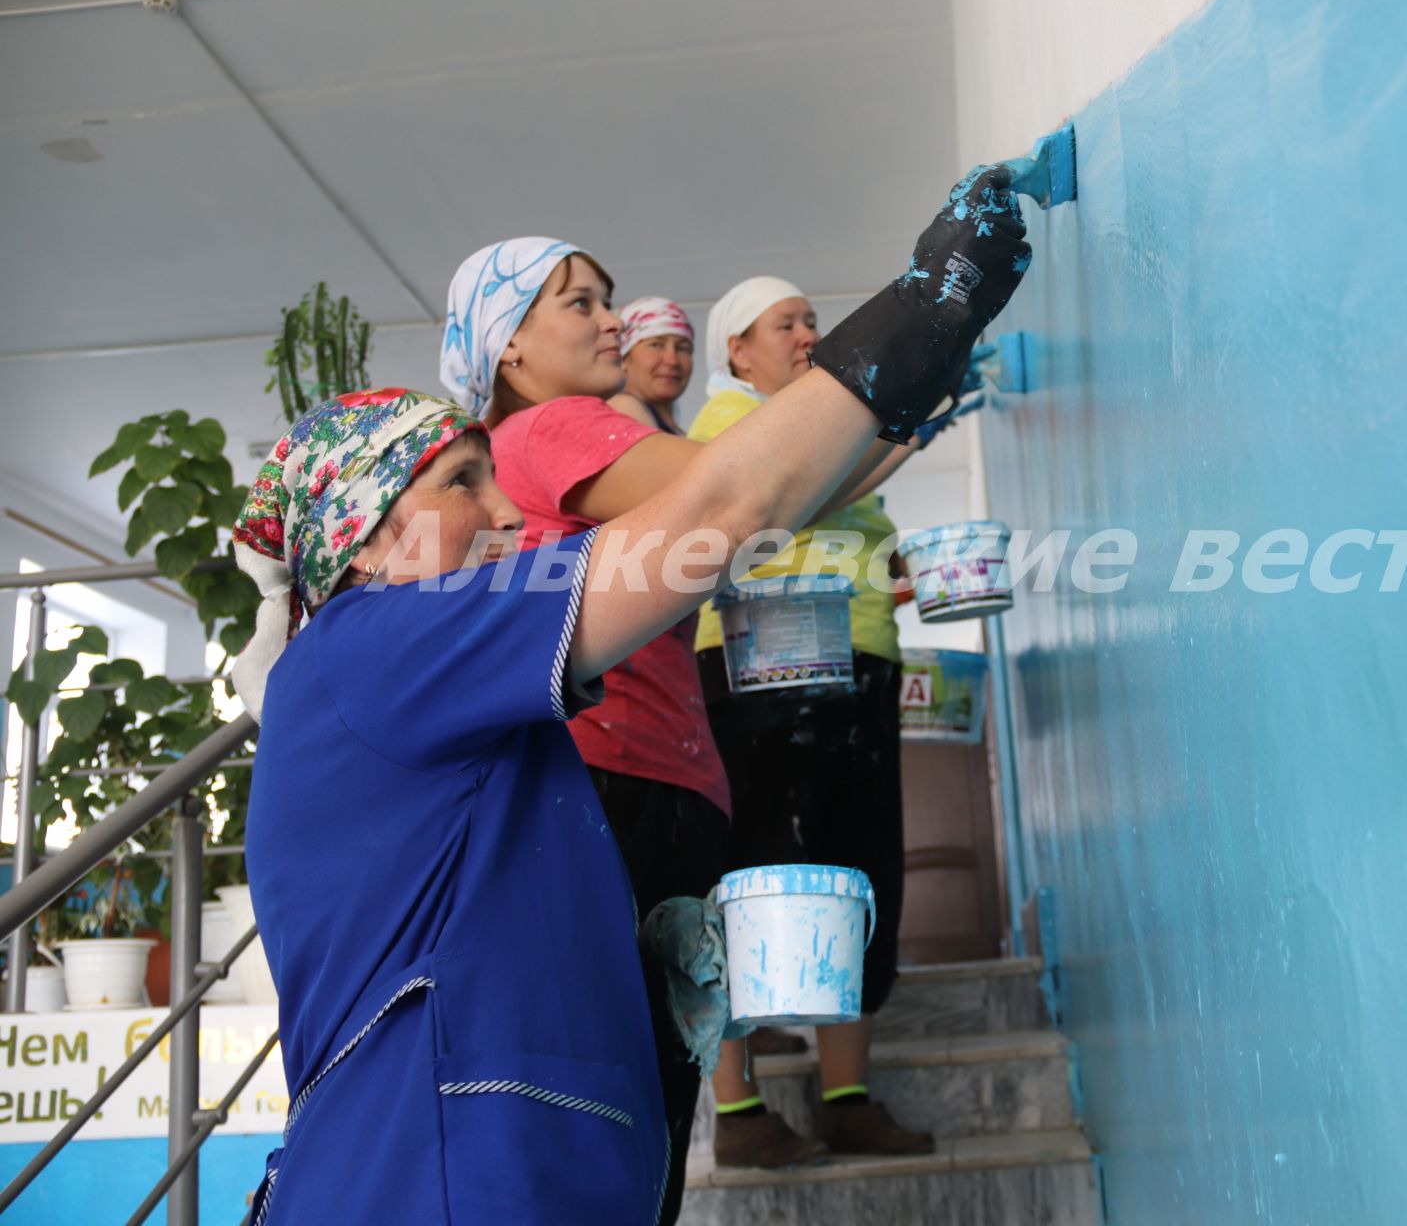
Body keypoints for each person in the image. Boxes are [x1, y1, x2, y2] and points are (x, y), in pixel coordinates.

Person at [234, 163, 1031, 1223]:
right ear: (365, 540)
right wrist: (933, 300)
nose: (508, 512)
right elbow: (730, 497)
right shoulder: (369, 642)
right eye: (461, 483)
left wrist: (619, 961)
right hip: (432, 1183)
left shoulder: (456, 708)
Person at [440, 241, 899, 1210]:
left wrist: (896, 424)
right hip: (616, 781)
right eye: (580, 303)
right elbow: (746, 489)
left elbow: (778, 493)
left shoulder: (574, 434)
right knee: (632, 1081)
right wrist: (901, 359)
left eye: (608, 299)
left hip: (656, 779)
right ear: (509, 347)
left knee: (643, 1077)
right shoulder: (556, 426)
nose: (613, 319)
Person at [690, 274, 968, 1165]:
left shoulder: (836, 431)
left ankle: (846, 1095)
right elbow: (807, 493)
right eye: (787, 323)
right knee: (755, 872)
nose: (808, 333)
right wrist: (910, 428)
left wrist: (898, 574)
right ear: (736, 348)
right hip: (761, 664)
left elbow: (856, 521)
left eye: (814, 320)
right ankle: (736, 1113)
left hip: (855, 660)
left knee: (856, 866)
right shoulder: (724, 424)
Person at [613, 297, 696, 434]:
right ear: (624, 358)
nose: (672, 360)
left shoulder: (673, 431)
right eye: (656, 345)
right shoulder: (622, 409)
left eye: (682, 348)